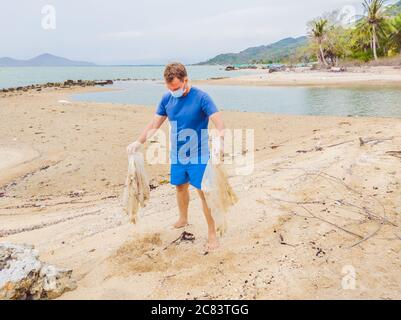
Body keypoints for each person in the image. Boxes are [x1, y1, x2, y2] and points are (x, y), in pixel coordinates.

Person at [127, 62, 225, 251]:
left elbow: (219, 124)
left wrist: (220, 141)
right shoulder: (167, 99)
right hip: (178, 155)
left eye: (177, 88)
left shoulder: (202, 98)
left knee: (204, 193)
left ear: (186, 80)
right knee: (180, 187)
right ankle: (183, 218)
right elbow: (154, 125)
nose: (174, 91)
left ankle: (212, 233)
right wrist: (138, 142)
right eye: (170, 88)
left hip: (199, 154)